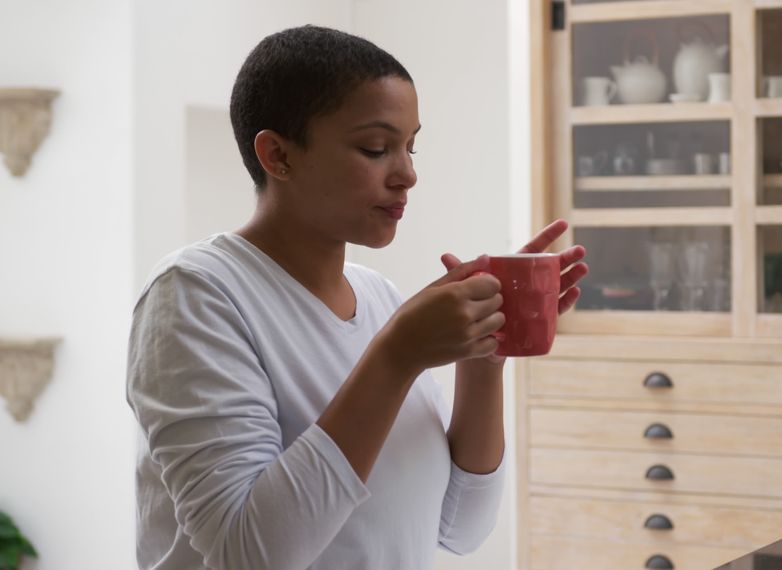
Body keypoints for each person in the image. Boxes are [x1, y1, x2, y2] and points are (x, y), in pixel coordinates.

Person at [126, 25, 588, 569]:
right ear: (278, 155)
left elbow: (460, 528)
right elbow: (245, 554)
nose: (408, 174)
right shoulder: (196, 295)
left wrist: (486, 357)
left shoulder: (378, 297)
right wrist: (396, 356)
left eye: (411, 146)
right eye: (376, 148)